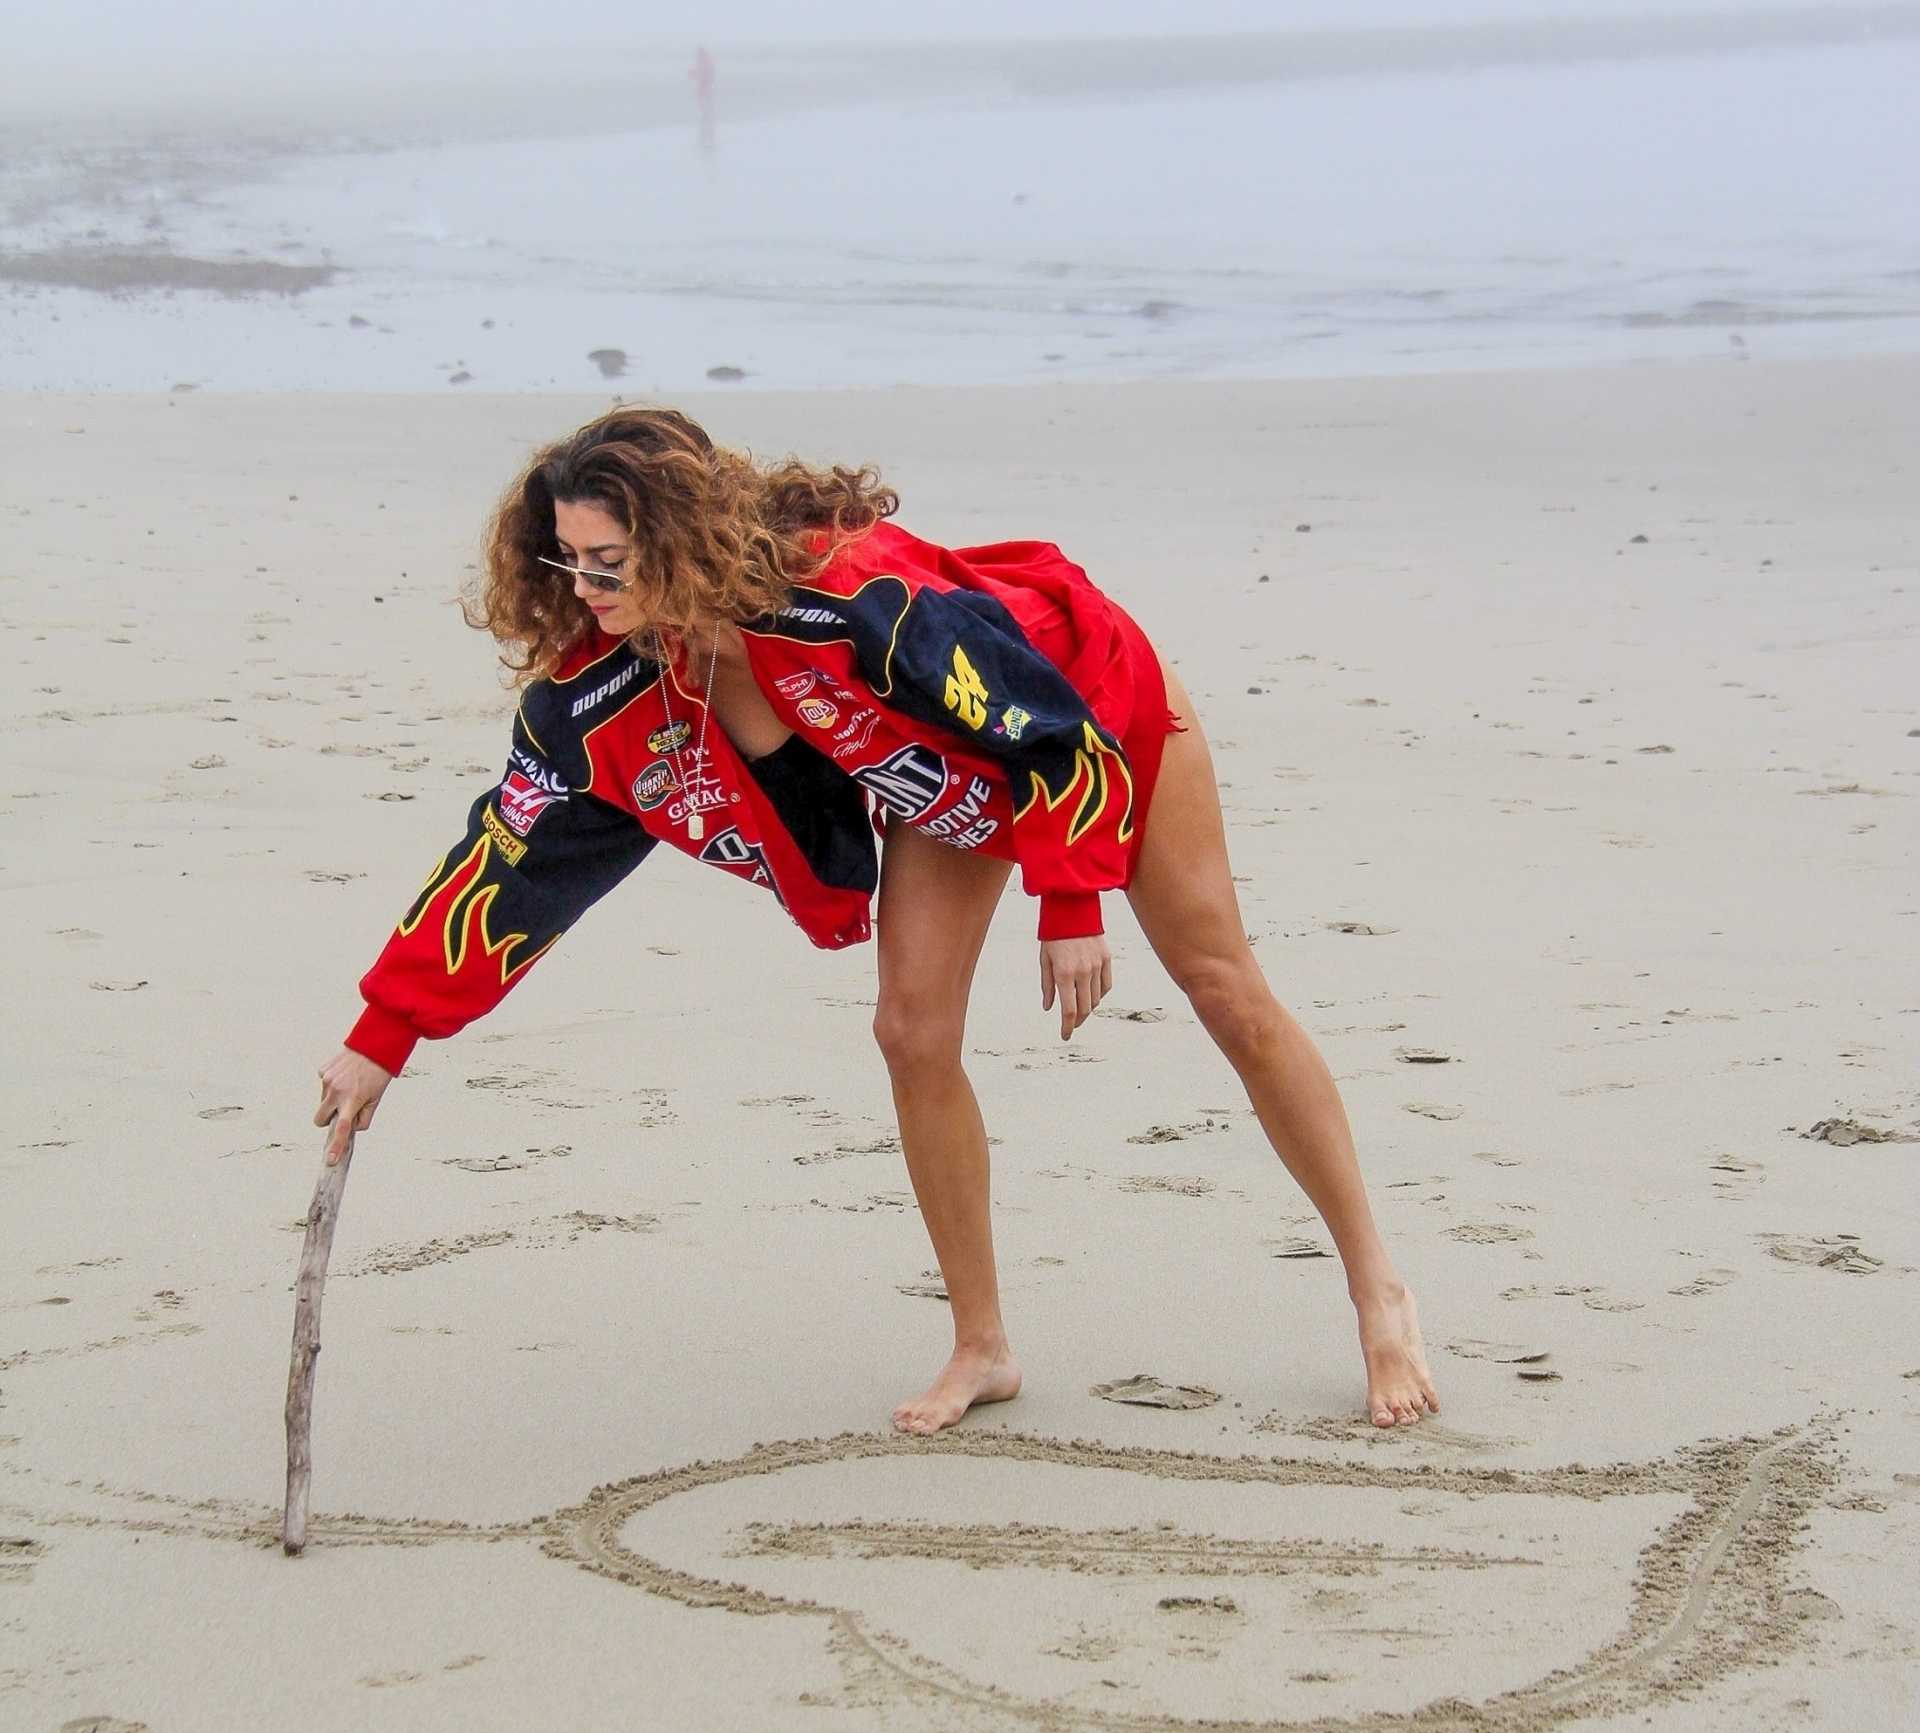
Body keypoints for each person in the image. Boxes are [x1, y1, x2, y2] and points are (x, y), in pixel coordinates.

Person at [315, 409, 1438, 1435]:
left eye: (608, 561)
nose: (586, 586)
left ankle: (1376, 1287)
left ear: (679, 539)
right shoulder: (618, 680)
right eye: (569, 559)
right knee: (910, 1031)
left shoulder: (854, 597)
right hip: (942, 784)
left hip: (1089, 718)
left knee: (1223, 989)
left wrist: (1071, 896)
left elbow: (1048, 724)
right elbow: (519, 851)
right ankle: (983, 1346)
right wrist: (385, 1033)